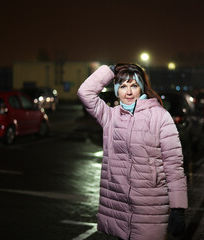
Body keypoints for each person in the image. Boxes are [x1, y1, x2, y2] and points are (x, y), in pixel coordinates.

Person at [77, 63, 188, 240]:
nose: (128, 92)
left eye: (134, 85)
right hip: (118, 207)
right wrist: (109, 70)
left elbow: (173, 164)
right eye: (123, 86)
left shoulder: (160, 117)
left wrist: (178, 207)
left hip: (150, 208)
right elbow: (85, 93)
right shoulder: (110, 117)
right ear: (116, 90)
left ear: (141, 88)